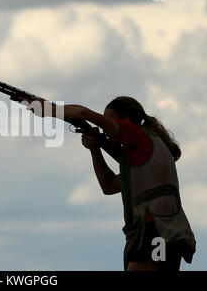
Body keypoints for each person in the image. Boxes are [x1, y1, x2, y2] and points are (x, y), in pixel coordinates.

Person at [17, 95, 196, 271]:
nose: (104, 130)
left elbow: (83, 113)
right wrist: (95, 149)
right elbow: (109, 186)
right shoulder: (142, 149)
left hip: (155, 232)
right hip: (163, 234)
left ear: (124, 121)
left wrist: (48, 109)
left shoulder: (138, 135)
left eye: (108, 123)